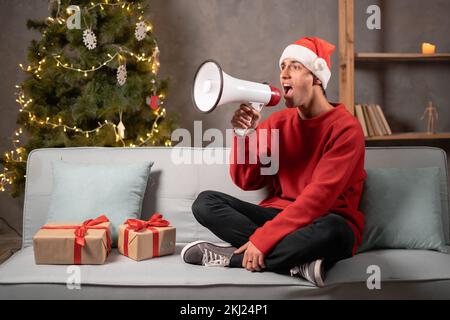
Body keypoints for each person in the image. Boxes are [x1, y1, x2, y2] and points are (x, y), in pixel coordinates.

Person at [181, 37, 367, 287]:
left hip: (324, 220)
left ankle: (230, 258)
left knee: (333, 230)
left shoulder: (346, 128)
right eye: (282, 66)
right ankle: (298, 263)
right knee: (205, 203)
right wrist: (243, 135)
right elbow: (247, 181)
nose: (284, 74)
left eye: (295, 66)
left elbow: (318, 199)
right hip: (279, 216)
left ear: (317, 78)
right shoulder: (278, 123)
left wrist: (263, 240)